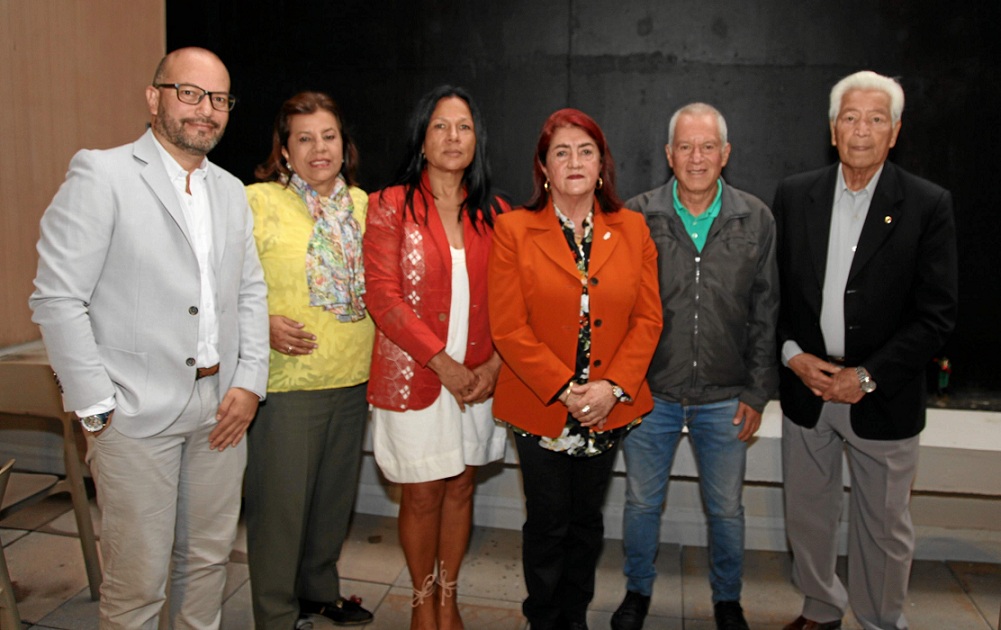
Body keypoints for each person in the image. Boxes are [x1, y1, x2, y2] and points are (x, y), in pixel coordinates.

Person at [29, 47, 269, 629]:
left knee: (208, 567)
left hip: (222, 412)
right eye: (189, 93)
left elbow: (250, 293)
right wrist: (96, 410)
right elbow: (57, 298)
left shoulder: (232, 191)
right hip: (132, 417)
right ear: (153, 96)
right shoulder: (101, 173)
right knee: (136, 587)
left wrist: (250, 383)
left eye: (218, 99)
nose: (205, 111)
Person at [774, 71, 958, 630]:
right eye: (850, 117)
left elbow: (938, 315)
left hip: (883, 394)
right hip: (807, 388)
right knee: (808, 517)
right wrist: (790, 355)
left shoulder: (928, 205)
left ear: (895, 132)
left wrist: (868, 377)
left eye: (877, 118)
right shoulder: (793, 195)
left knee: (883, 526)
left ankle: (881, 620)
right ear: (833, 129)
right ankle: (821, 608)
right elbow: (772, 293)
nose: (862, 129)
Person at [489, 108, 663, 630]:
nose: (574, 161)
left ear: (602, 164)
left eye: (586, 151)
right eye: (561, 152)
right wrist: (568, 391)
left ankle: (575, 618)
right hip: (543, 404)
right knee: (548, 524)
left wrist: (611, 388)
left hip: (607, 406)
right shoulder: (513, 230)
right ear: (543, 167)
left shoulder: (632, 228)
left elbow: (649, 319)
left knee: (586, 523)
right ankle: (543, 619)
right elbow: (508, 328)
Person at [613, 103, 779, 630]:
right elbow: (620, 307)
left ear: (726, 153)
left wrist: (756, 394)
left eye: (708, 146)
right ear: (668, 154)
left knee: (726, 510)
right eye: (685, 146)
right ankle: (637, 592)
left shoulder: (756, 218)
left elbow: (765, 311)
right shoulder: (638, 215)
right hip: (652, 394)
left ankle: (727, 600)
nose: (697, 157)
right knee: (641, 503)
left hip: (726, 397)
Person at [364, 85, 508, 630]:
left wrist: (493, 366)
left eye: (464, 127)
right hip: (417, 379)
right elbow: (383, 296)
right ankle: (422, 601)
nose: (453, 137)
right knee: (422, 494)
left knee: (463, 485)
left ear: (477, 140)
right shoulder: (390, 205)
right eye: (441, 126)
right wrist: (443, 364)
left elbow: (513, 300)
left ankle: (449, 597)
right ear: (423, 139)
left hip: (479, 381)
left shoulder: (497, 212)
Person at [244, 92, 375, 629]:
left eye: (328, 136)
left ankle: (318, 591)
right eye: (304, 138)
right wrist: (259, 324)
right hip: (287, 384)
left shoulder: (367, 205)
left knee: (330, 504)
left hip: (353, 377)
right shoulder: (254, 201)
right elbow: (220, 281)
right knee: (280, 512)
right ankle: (275, 614)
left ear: (344, 145)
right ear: (284, 150)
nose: (318, 149)